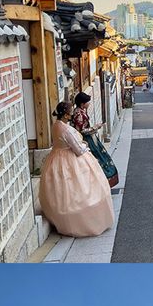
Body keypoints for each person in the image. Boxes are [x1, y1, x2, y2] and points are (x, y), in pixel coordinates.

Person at [39, 101, 115, 238]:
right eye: (71, 112)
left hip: (56, 157)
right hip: (70, 160)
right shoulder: (66, 130)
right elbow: (78, 150)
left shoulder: (56, 125)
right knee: (80, 189)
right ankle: (84, 222)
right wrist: (86, 145)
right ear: (67, 115)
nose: (72, 114)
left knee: (62, 190)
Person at [71, 92, 119, 187]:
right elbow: (81, 130)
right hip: (86, 139)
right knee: (98, 159)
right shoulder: (79, 113)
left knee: (100, 158)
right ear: (82, 103)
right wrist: (95, 128)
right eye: (87, 102)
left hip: (90, 138)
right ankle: (101, 182)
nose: (89, 104)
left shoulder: (80, 111)